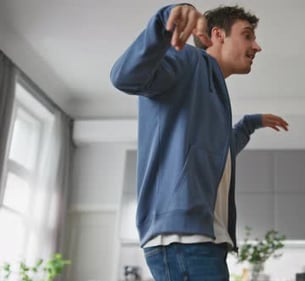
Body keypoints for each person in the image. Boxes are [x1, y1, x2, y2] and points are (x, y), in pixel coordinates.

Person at [110, 3, 288, 281]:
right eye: (248, 35)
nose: (257, 46)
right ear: (217, 35)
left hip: (202, 240)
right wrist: (164, 21)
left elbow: (218, 150)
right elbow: (125, 77)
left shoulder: (211, 90)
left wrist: (250, 123)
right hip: (183, 240)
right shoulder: (189, 60)